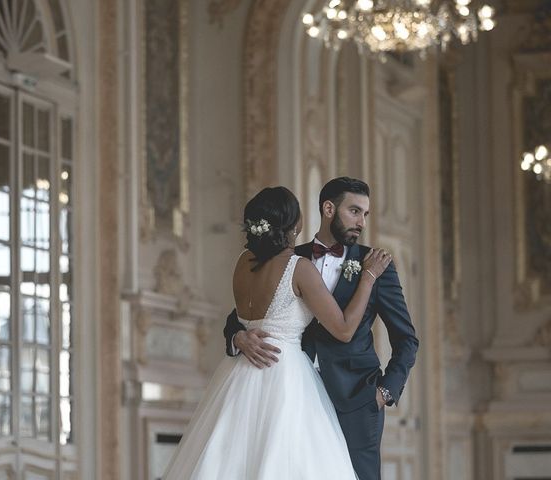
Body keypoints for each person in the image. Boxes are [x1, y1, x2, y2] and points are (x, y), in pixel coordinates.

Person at [163, 186, 392, 479]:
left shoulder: (242, 264)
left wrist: (238, 336)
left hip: (238, 374)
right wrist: (369, 277)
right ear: (295, 225)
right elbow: (345, 329)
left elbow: (242, 318)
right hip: (285, 377)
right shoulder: (300, 268)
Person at [224, 177, 419, 480]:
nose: (362, 222)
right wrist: (238, 336)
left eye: (365, 214)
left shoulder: (376, 265)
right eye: (354, 211)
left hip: (356, 400)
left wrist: (384, 392)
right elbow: (243, 313)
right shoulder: (287, 256)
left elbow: (407, 339)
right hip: (290, 397)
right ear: (329, 209)